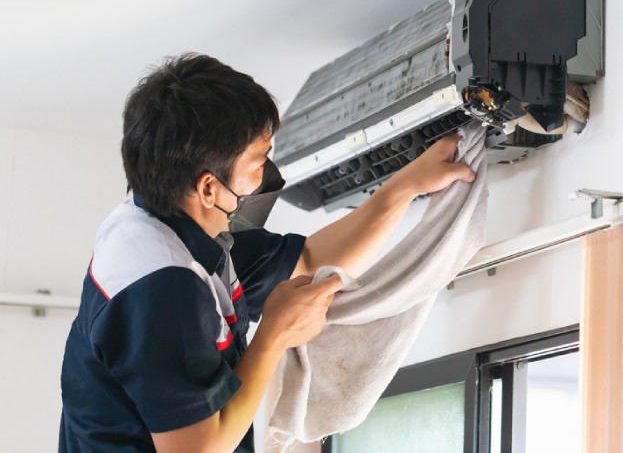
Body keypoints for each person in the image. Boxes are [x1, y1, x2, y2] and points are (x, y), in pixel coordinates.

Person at [59, 53, 475, 452]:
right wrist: (274, 334)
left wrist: (407, 184)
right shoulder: (162, 287)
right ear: (208, 188)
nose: (265, 175)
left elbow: (310, 259)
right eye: (259, 160)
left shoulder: (174, 225)